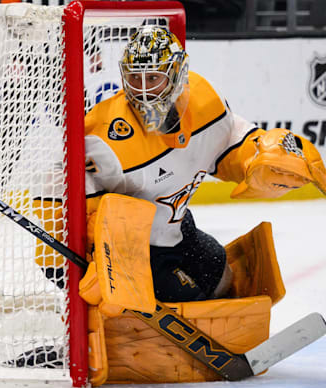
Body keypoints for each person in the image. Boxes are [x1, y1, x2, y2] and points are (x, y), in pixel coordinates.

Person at [77, 26, 324, 306]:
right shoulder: (103, 135)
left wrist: (255, 159)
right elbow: (75, 196)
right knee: (191, 307)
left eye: (154, 78)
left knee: (222, 276)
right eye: (135, 78)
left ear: (177, 74)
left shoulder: (204, 100)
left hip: (178, 228)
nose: (144, 90)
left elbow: (229, 142)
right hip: (137, 250)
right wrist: (99, 254)